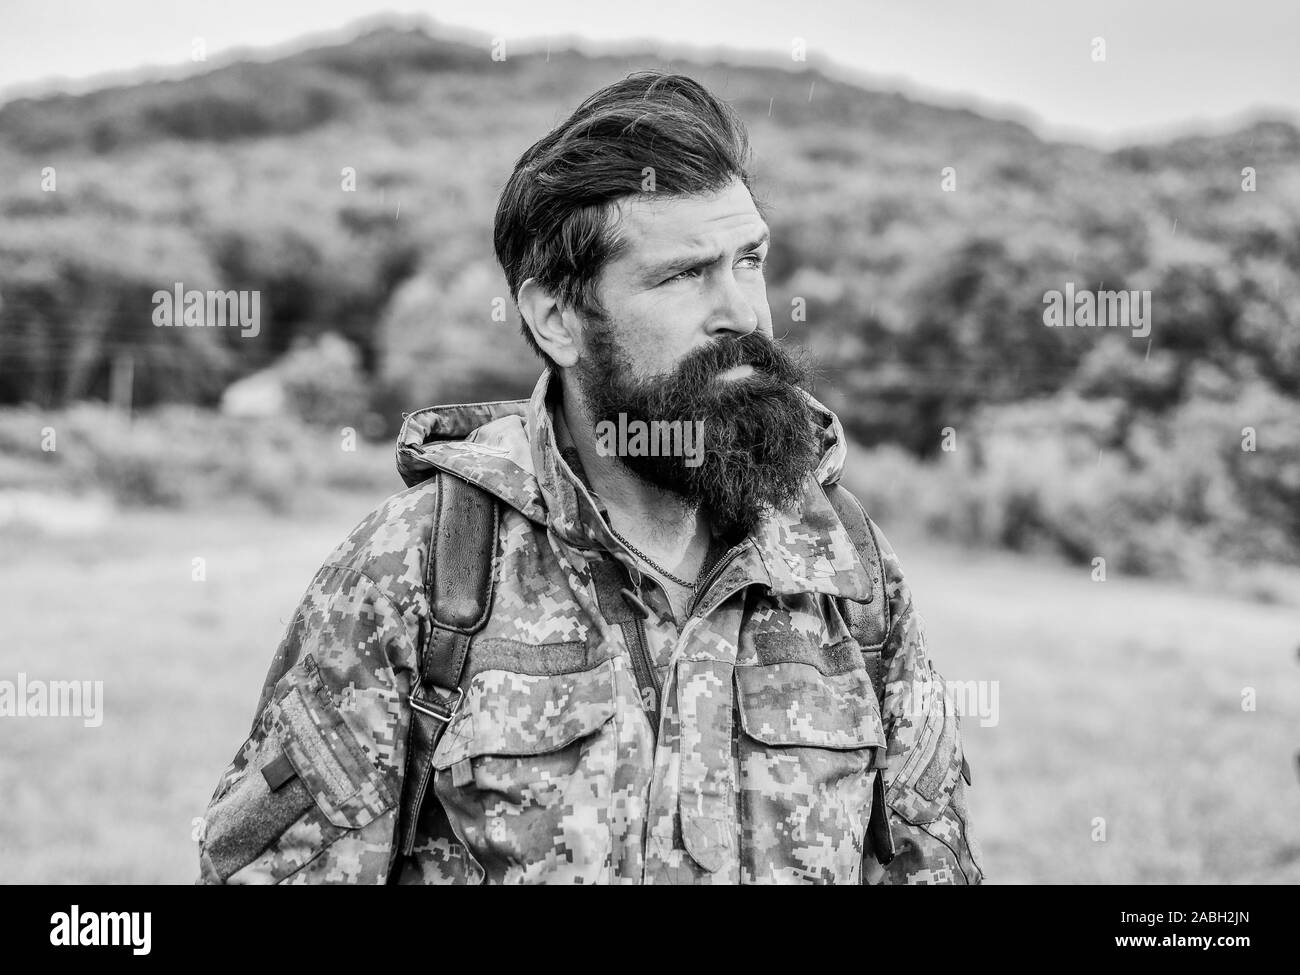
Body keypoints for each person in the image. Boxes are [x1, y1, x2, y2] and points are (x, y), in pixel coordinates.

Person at [196, 71, 984, 885]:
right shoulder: (420, 572)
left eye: (749, 261)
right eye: (685, 275)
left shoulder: (844, 565)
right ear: (556, 320)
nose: (745, 313)